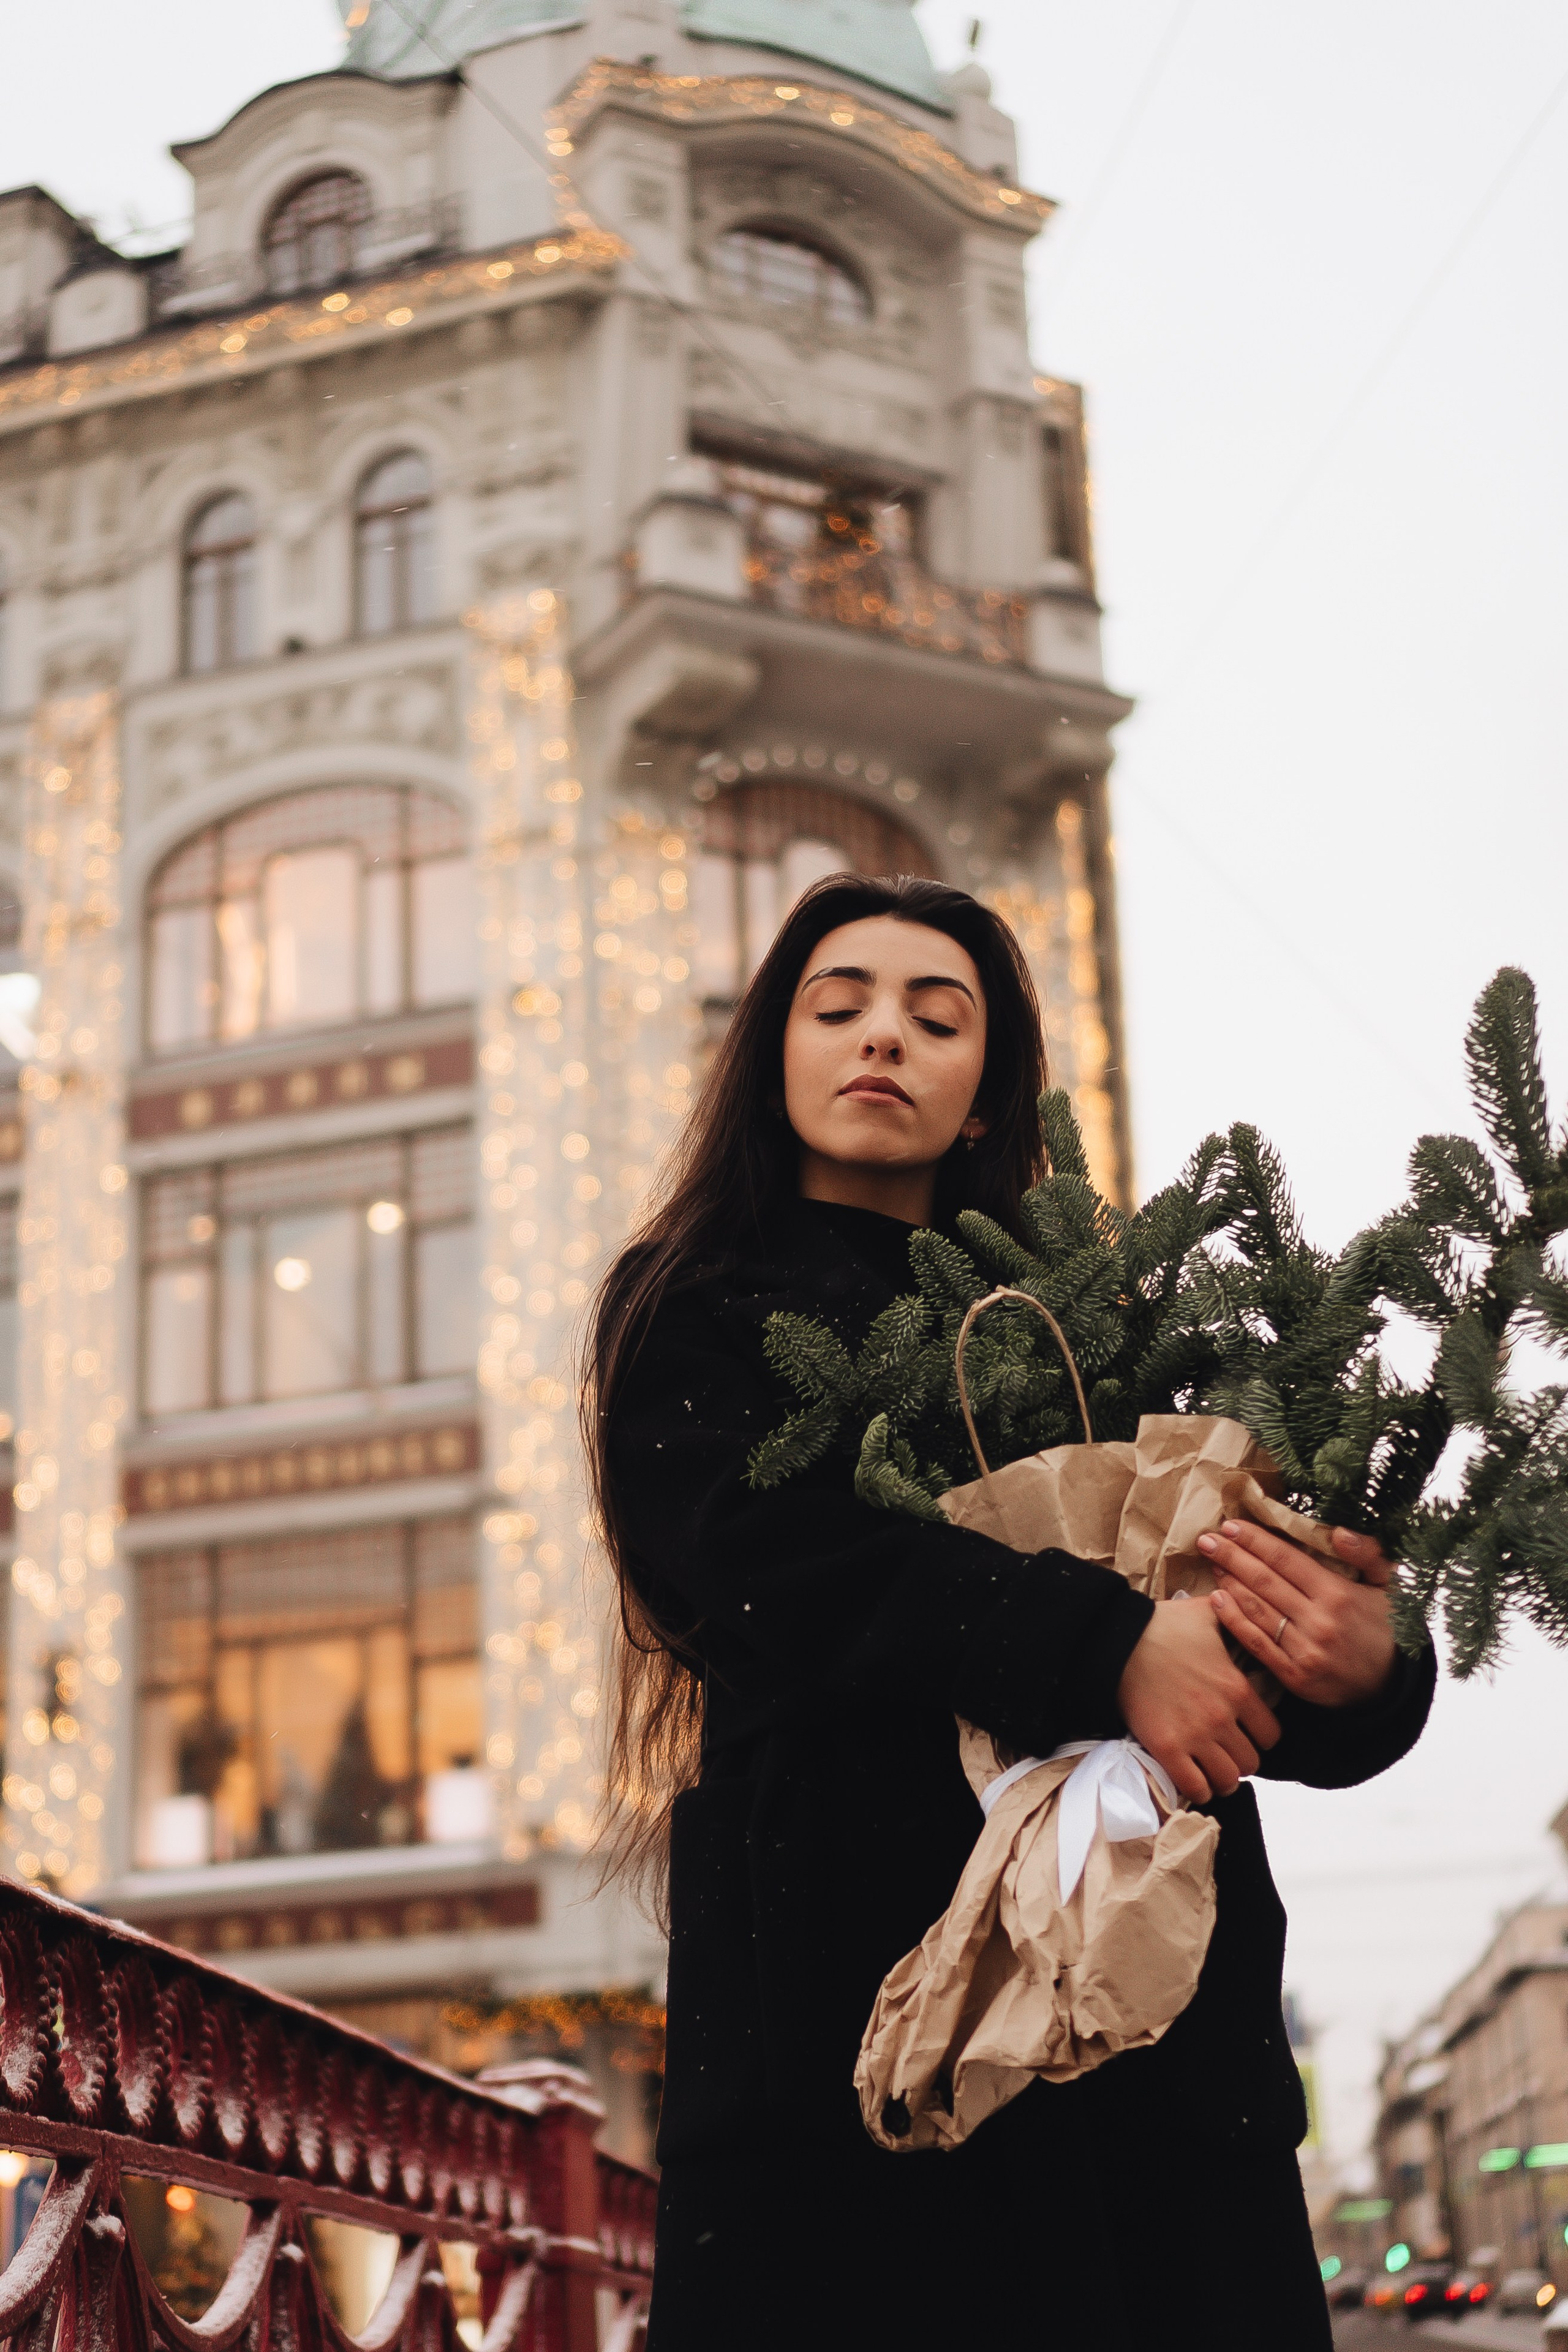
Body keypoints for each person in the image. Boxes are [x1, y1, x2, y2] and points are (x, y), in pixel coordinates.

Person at [585, 873, 1433, 2350]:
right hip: (855, 2053)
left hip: (1152, 2050)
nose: (881, 1040)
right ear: (769, 1057)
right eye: (835, 1004)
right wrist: (1104, 1649)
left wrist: (1360, 1669)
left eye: (936, 1015)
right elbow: (748, 1568)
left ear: (987, 1092)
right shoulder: (692, 1305)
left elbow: (1234, 1599)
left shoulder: (1109, 1327)